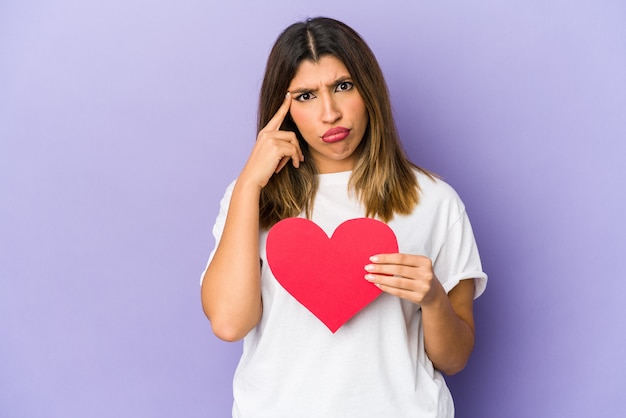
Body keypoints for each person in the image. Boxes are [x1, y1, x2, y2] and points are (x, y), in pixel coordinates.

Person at [201, 16, 487, 418]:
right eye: (305, 96)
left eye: (343, 86)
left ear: (368, 91)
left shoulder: (435, 201)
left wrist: (434, 299)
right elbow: (230, 324)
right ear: (281, 110)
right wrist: (249, 185)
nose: (329, 113)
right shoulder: (249, 199)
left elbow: (454, 360)